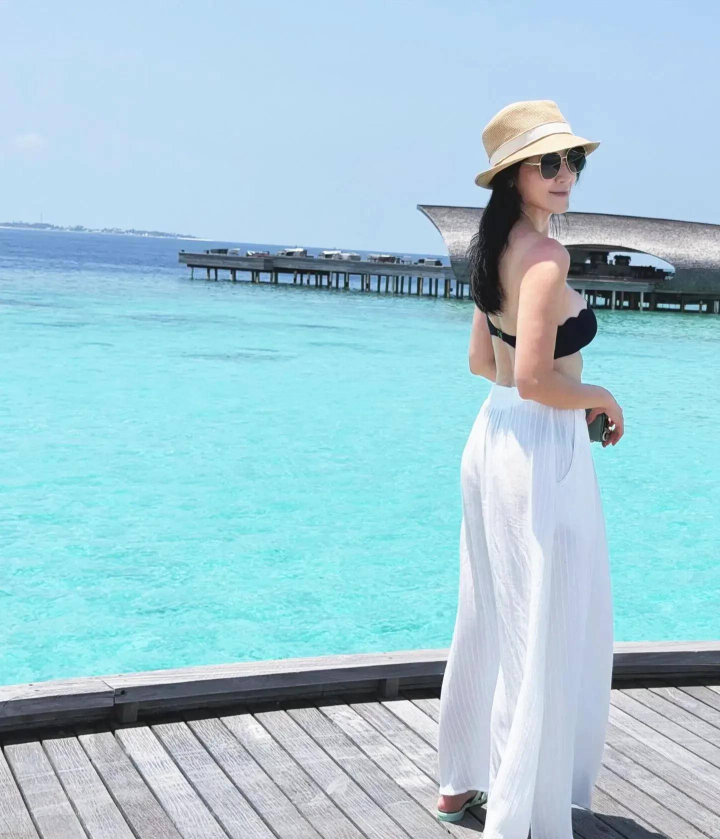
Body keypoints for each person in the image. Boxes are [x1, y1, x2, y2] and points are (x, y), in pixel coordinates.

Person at [435, 100, 624, 839]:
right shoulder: (545, 257)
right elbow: (536, 378)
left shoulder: (494, 248)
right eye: (549, 162)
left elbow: (484, 364)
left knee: (490, 613)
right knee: (540, 625)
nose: (564, 173)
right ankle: (520, 811)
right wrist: (599, 396)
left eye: (572, 160)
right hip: (541, 448)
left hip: (494, 438)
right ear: (514, 173)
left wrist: (561, 398)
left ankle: (460, 783)